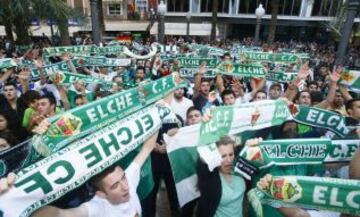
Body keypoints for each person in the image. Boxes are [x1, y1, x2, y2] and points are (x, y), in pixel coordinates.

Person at [0, 130, 159, 217]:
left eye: (123, 178)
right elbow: (59, 214)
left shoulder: (128, 179)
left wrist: (159, 109)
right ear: (101, 194)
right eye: (115, 186)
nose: (126, 187)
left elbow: (147, 148)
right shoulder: (97, 208)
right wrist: (16, 197)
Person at [196, 136, 261, 217]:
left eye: (231, 154)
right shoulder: (210, 177)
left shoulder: (238, 168)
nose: (229, 160)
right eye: (223, 156)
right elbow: (202, 167)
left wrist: (252, 143)